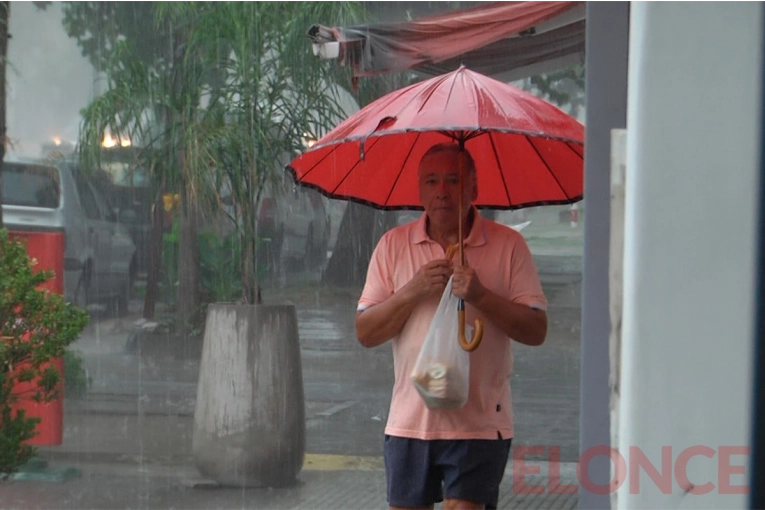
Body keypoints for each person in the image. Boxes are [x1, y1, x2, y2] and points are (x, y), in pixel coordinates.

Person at [355, 142, 548, 510]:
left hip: (479, 422)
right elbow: (366, 331)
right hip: (410, 420)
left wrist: (480, 295)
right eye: (431, 181)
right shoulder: (393, 246)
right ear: (420, 190)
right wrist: (413, 290)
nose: (442, 191)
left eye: (453, 180)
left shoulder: (509, 245)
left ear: (473, 188)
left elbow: (536, 330)